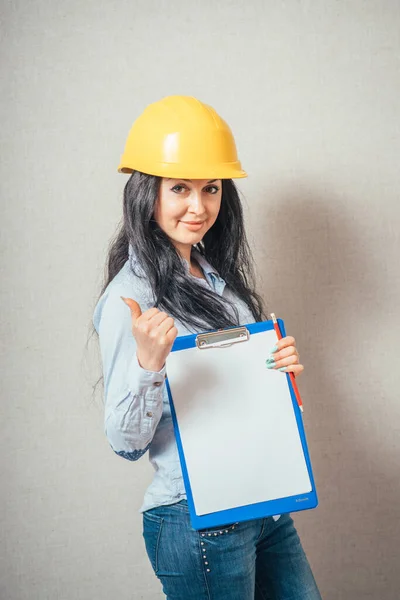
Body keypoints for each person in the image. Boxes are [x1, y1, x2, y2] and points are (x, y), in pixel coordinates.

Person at [92, 95, 321, 599]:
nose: (199, 207)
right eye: (179, 189)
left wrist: (278, 369)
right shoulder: (129, 300)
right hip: (197, 520)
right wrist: (149, 364)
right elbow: (125, 441)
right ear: (145, 193)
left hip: (265, 507)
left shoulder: (221, 281)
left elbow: (239, 396)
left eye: (211, 189)